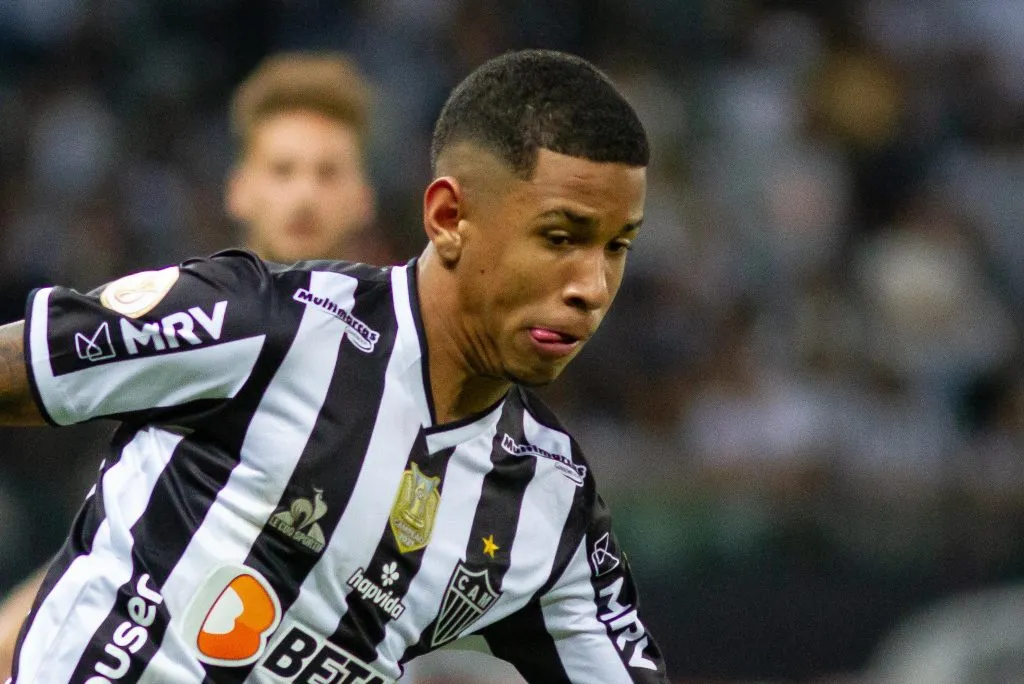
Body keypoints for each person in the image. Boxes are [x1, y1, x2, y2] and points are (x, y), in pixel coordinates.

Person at [0, 48, 667, 682]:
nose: (593, 287)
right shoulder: (264, 322)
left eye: (618, 247)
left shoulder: (549, 500)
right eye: (560, 237)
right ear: (448, 216)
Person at [0, 50, 380, 679]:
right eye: (282, 170)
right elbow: (131, 533)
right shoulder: (193, 327)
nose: (305, 194)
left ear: (363, 196)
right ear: (240, 187)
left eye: (327, 172)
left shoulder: (396, 371)